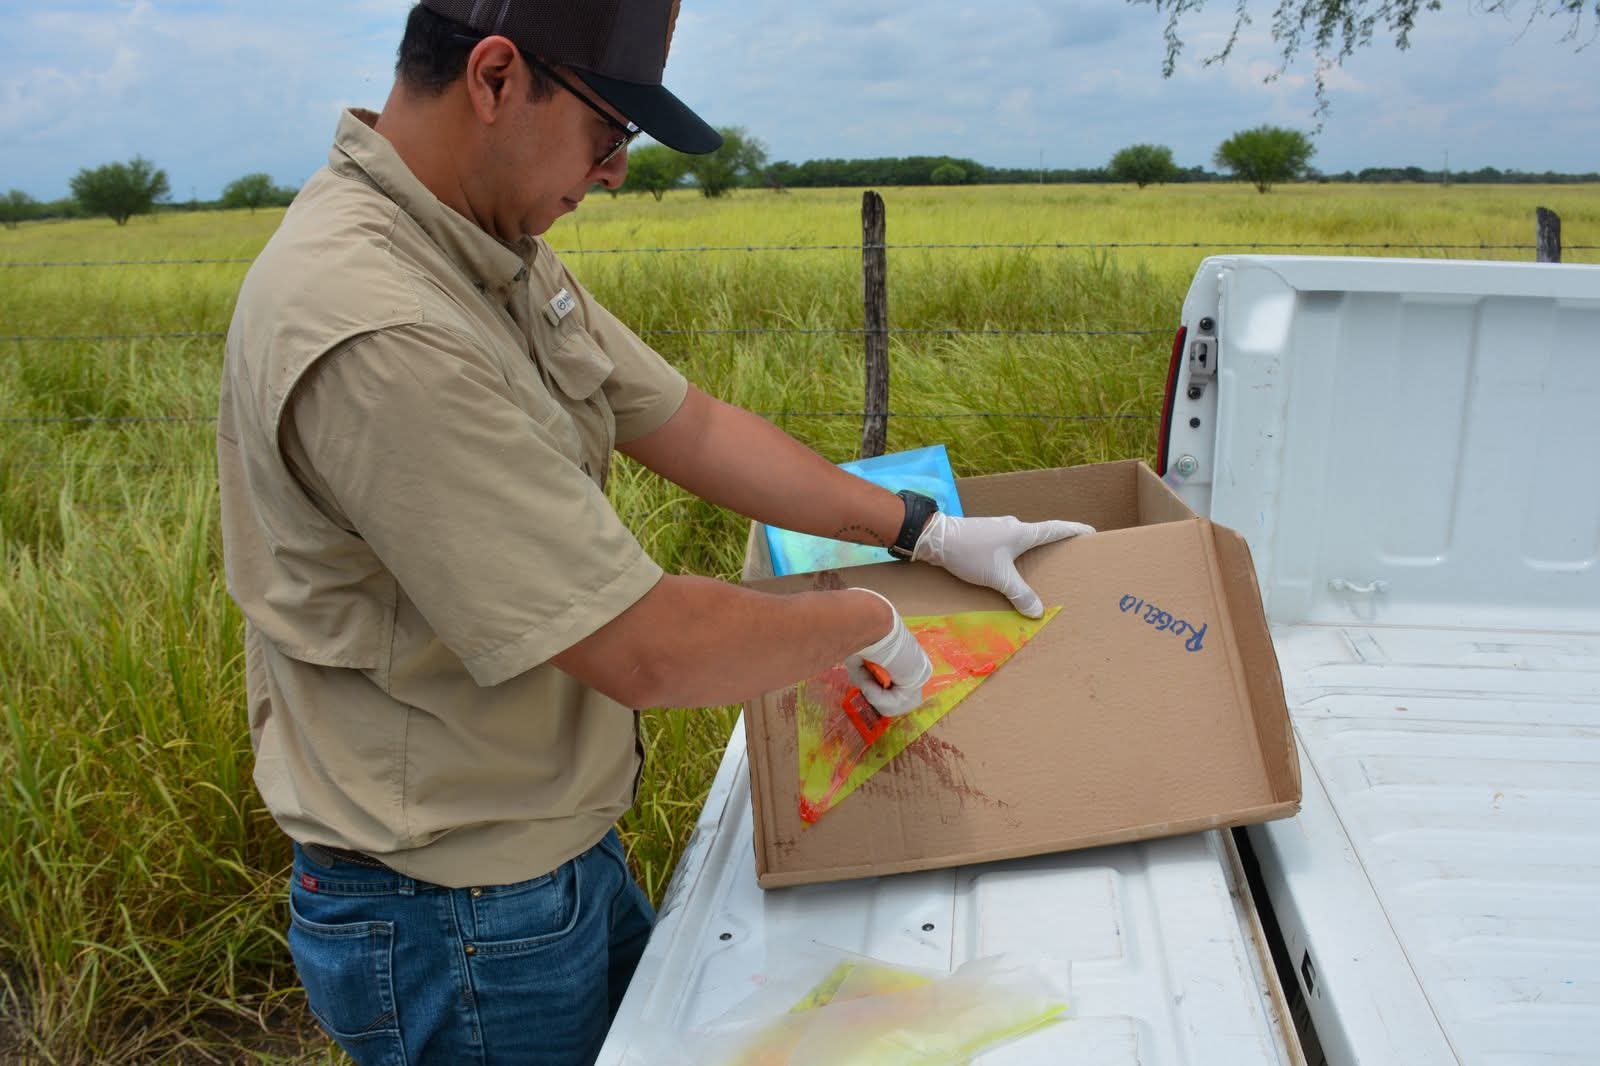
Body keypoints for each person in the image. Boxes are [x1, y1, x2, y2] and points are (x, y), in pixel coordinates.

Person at [216, 2, 1092, 1063]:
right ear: (494, 78)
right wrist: (867, 620)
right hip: (452, 913)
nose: (618, 170)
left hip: (548, 848)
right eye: (608, 129)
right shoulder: (378, 321)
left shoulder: (485, 241)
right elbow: (646, 647)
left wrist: (922, 529)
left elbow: (693, 425)